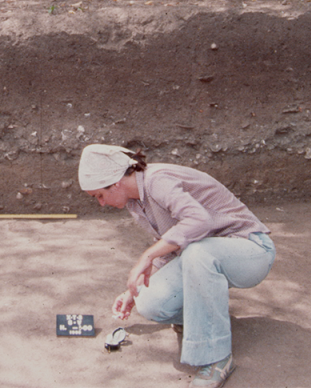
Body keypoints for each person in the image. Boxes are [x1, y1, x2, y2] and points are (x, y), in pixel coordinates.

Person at [79, 144, 275, 388]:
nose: (101, 203)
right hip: (205, 255)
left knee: (197, 252)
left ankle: (217, 359)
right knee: (150, 303)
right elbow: (171, 248)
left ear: (115, 183)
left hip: (252, 251)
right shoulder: (135, 202)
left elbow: (199, 221)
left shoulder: (156, 180)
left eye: (99, 195)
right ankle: (206, 318)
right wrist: (132, 291)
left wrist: (147, 256)